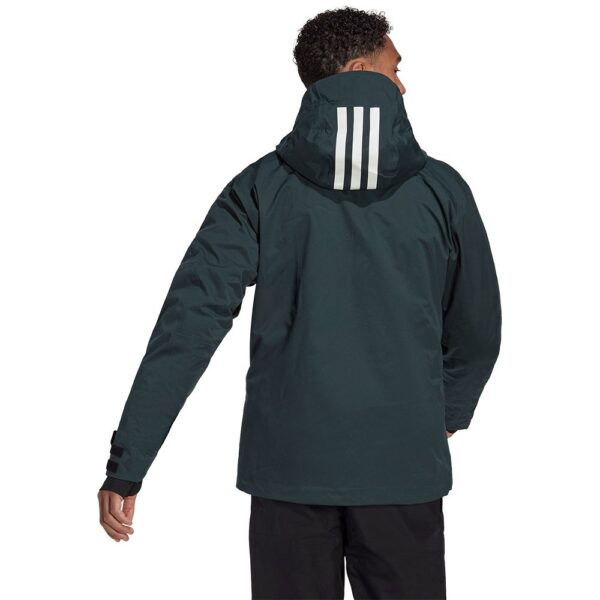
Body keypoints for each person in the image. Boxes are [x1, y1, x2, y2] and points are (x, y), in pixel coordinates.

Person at [97, 7, 502, 599]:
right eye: (395, 69)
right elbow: (477, 328)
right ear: (360, 70)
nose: (403, 84)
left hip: (288, 470)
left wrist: (129, 462)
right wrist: (439, 418)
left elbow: (187, 326)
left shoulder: (260, 187)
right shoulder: (442, 190)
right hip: (402, 468)